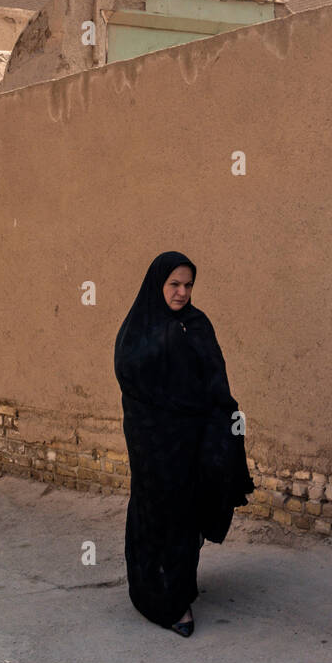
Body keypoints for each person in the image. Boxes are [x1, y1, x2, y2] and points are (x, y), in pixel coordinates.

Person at [113, 250, 254, 636]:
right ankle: (159, 598)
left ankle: (177, 591)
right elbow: (134, 384)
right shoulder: (138, 330)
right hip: (153, 445)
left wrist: (222, 420)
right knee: (158, 515)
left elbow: (214, 379)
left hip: (192, 441)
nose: (181, 292)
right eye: (174, 284)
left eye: (188, 285)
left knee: (187, 517)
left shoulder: (197, 324)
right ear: (158, 283)